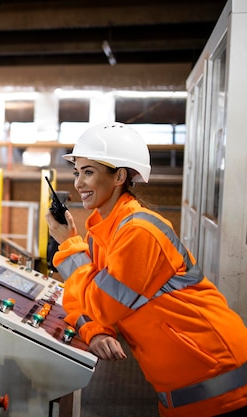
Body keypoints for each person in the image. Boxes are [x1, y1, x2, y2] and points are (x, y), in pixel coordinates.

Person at [45, 122, 247, 417]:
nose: (78, 183)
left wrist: (69, 245)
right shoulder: (103, 235)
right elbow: (80, 300)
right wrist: (96, 332)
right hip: (179, 392)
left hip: (223, 386)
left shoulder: (140, 232)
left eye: (88, 172)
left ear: (120, 176)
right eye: (77, 172)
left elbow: (102, 304)